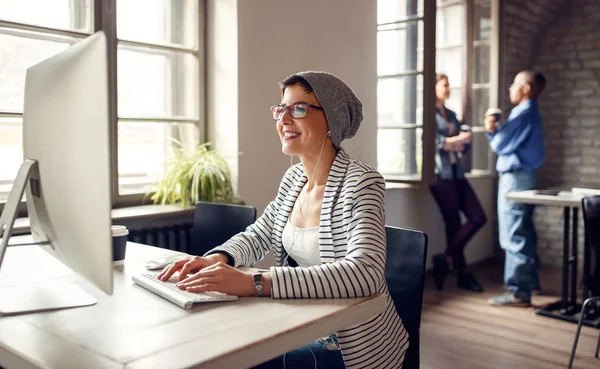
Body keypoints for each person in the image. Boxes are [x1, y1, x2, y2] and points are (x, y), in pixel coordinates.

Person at [158, 71, 408, 368]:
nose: (284, 119)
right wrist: (219, 258)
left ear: (333, 118)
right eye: (281, 109)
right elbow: (258, 234)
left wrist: (255, 282)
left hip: (350, 345)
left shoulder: (362, 182)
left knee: (242, 361)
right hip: (300, 323)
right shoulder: (293, 178)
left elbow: (364, 273)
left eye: (299, 109)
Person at [486, 70, 546, 306]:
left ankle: (519, 291)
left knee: (514, 235)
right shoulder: (532, 114)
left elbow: (500, 144)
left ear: (527, 88)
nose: (511, 88)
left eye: (515, 84)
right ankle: (529, 282)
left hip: (515, 179)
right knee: (524, 231)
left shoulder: (524, 113)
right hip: (525, 177)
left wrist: (491, 130)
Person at [429, 74, 487, 293]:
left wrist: (455, 142)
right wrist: (457, 141)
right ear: (433, 87)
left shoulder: (452, 114)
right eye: (444, 85)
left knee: (478, 217)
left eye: (449, 85)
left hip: (457, 173)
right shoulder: (426, 114)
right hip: (439, 176)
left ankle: (446, 258)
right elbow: (436, 144)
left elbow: (465, 144)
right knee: (453, 224)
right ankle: (463, 274)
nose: (448, 88)